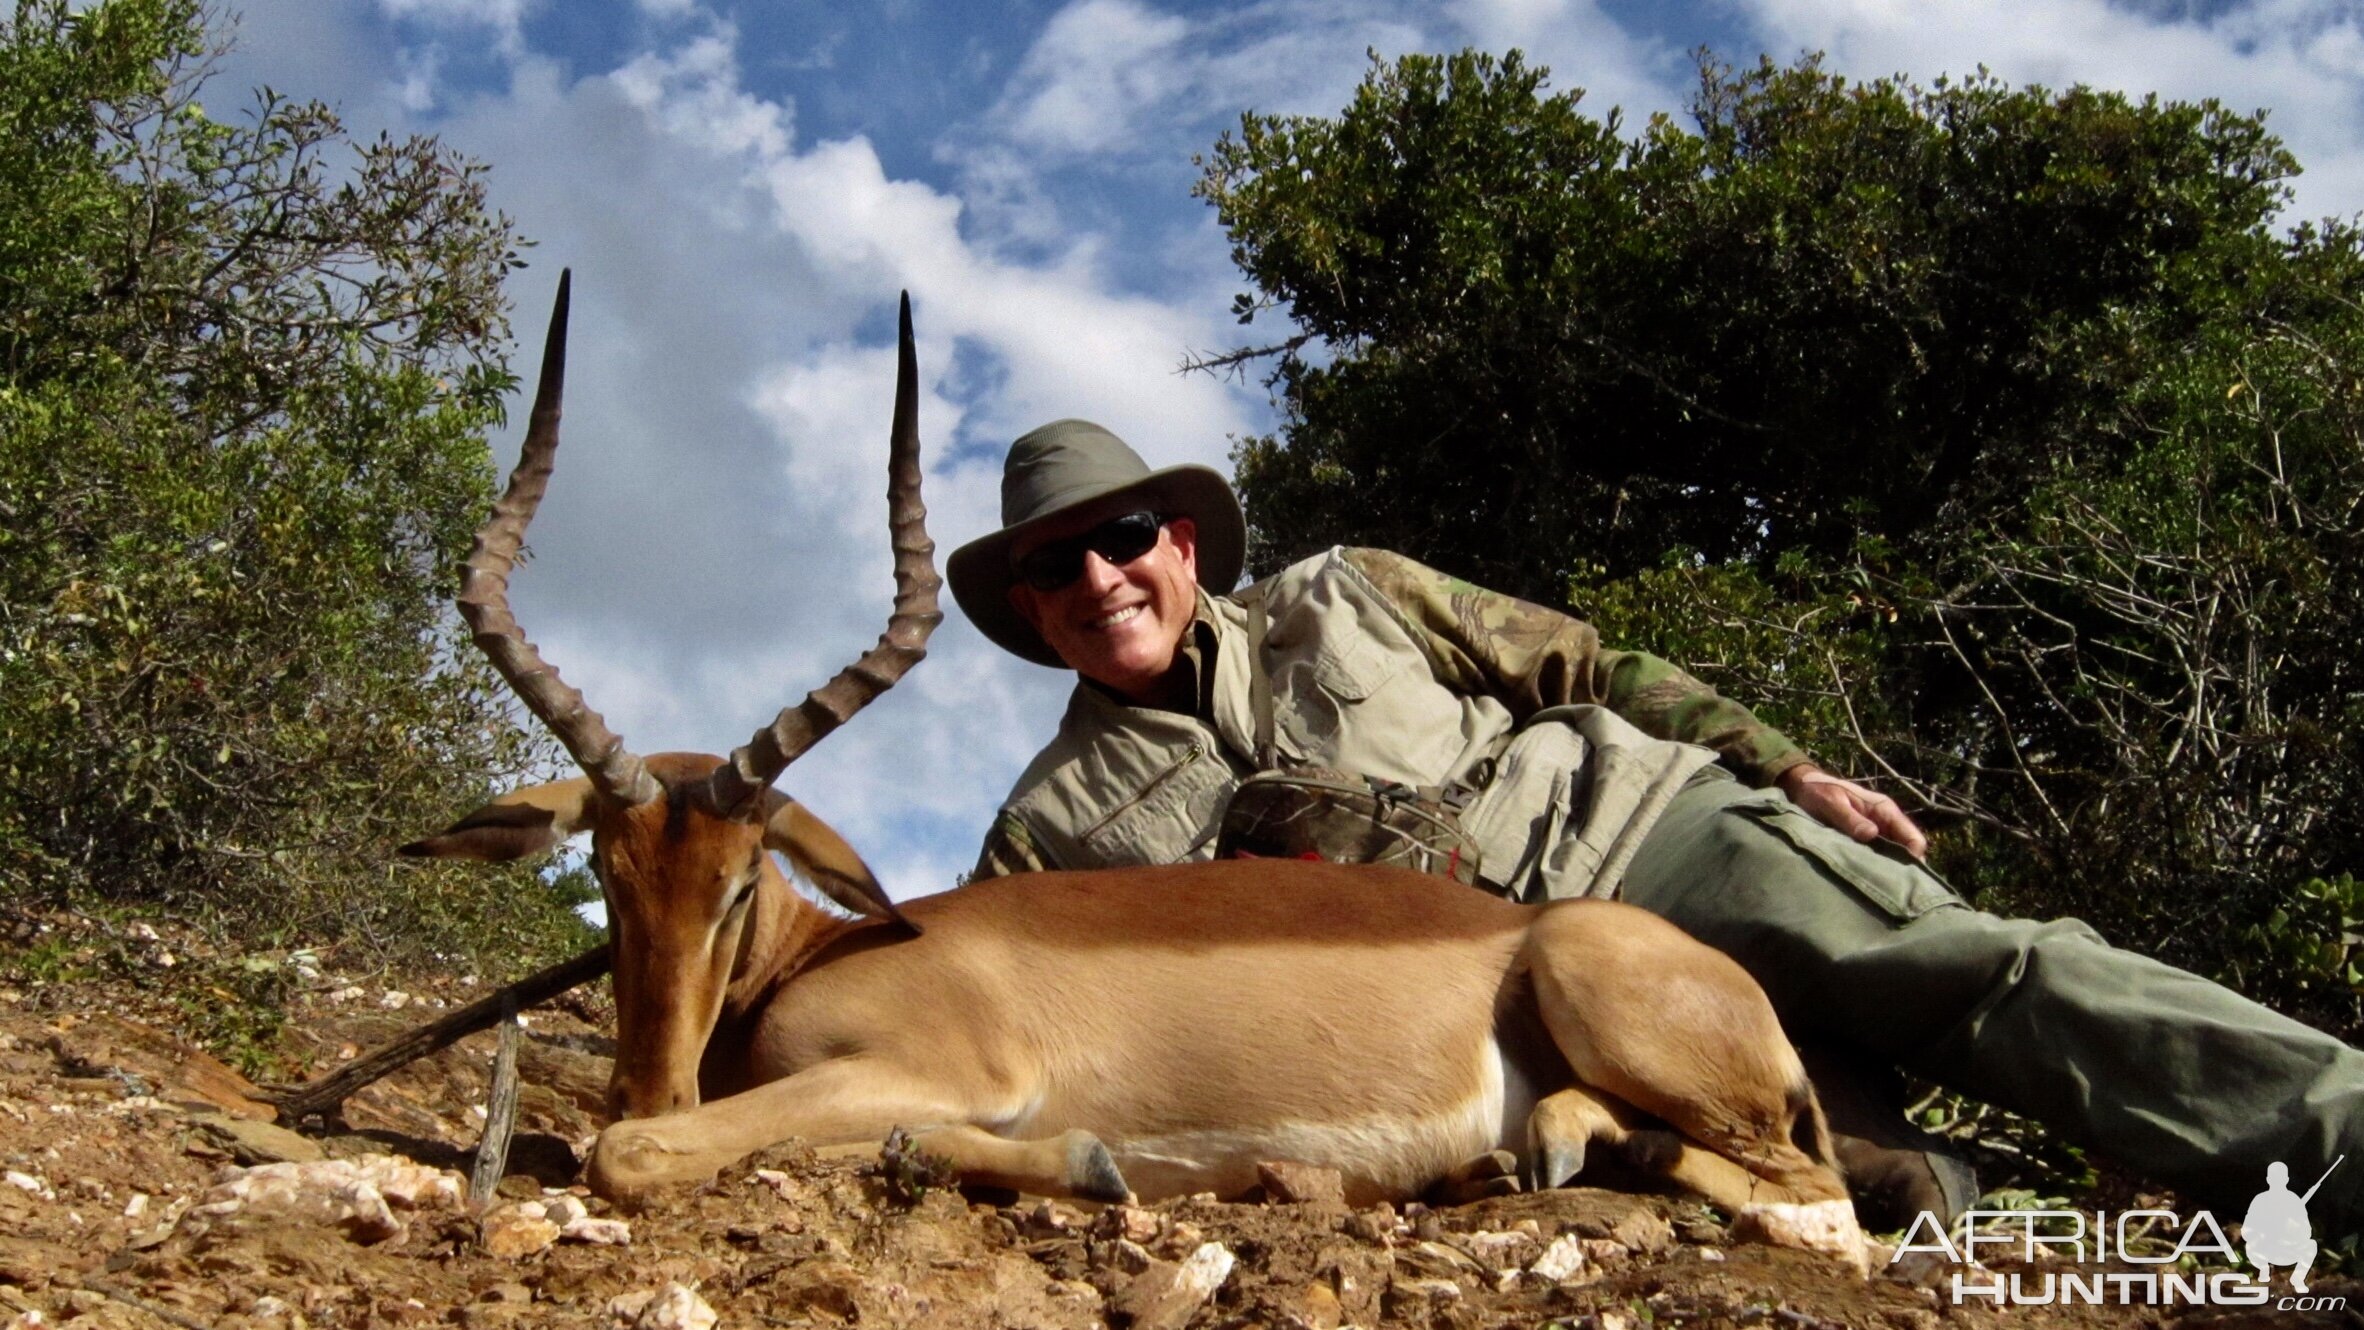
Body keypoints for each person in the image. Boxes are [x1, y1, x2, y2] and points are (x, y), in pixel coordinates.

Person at [945, 418, 2364, 1238]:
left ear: (1180, 545)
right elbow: (947, 991)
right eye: (1051, 563)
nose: (1096, 575)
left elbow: (1587, 668)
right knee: (1886, 1203)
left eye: (1121, 534)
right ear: (1027, 605)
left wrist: (1790, 765)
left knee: (1968, 970)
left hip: (1643, 839)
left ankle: (2333, 1135)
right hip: (1508, 1019)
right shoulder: (1049, 825)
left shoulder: (1350, 589)